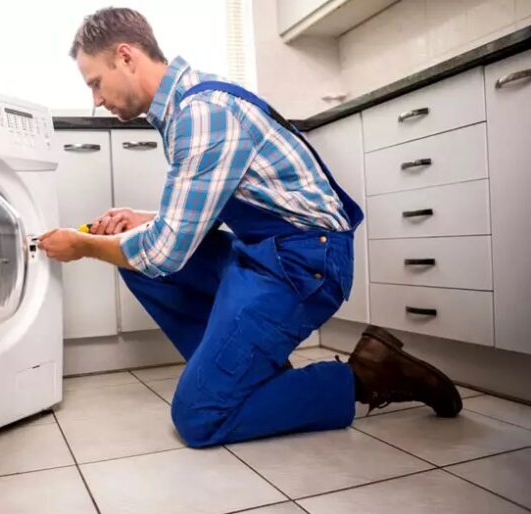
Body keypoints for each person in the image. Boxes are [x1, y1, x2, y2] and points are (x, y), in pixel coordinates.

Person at [38, 7, 462, 448]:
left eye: (95, 83)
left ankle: (362, 376)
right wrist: (145, 219)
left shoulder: (201, 113)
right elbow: (217, 203)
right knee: (132, 256)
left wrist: (83, 246)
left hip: (306, 263)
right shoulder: (185, 107)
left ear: (125, 57)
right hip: (265, 252)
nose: (96, 100)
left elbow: (165, 253)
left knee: (199, 417)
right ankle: (244, 374)